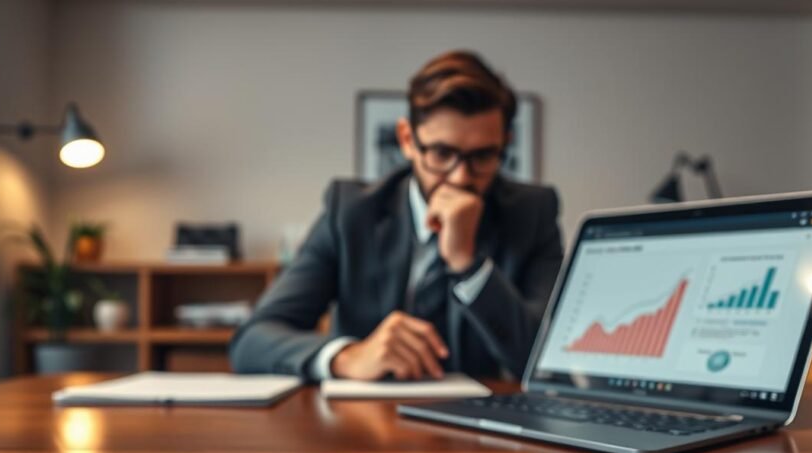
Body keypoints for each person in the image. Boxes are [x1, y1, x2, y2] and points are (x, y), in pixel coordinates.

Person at [229, 50, 564, 381]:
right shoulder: (349, 212)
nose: (461, 177)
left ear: (504, 143)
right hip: (364, 423)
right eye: (443, 153)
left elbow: (545, 362)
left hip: (483, 422)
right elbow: (252, 340)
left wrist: (467, 263)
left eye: (483, 156)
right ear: (407, 140)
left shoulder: (533, 213)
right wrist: (347, 357)